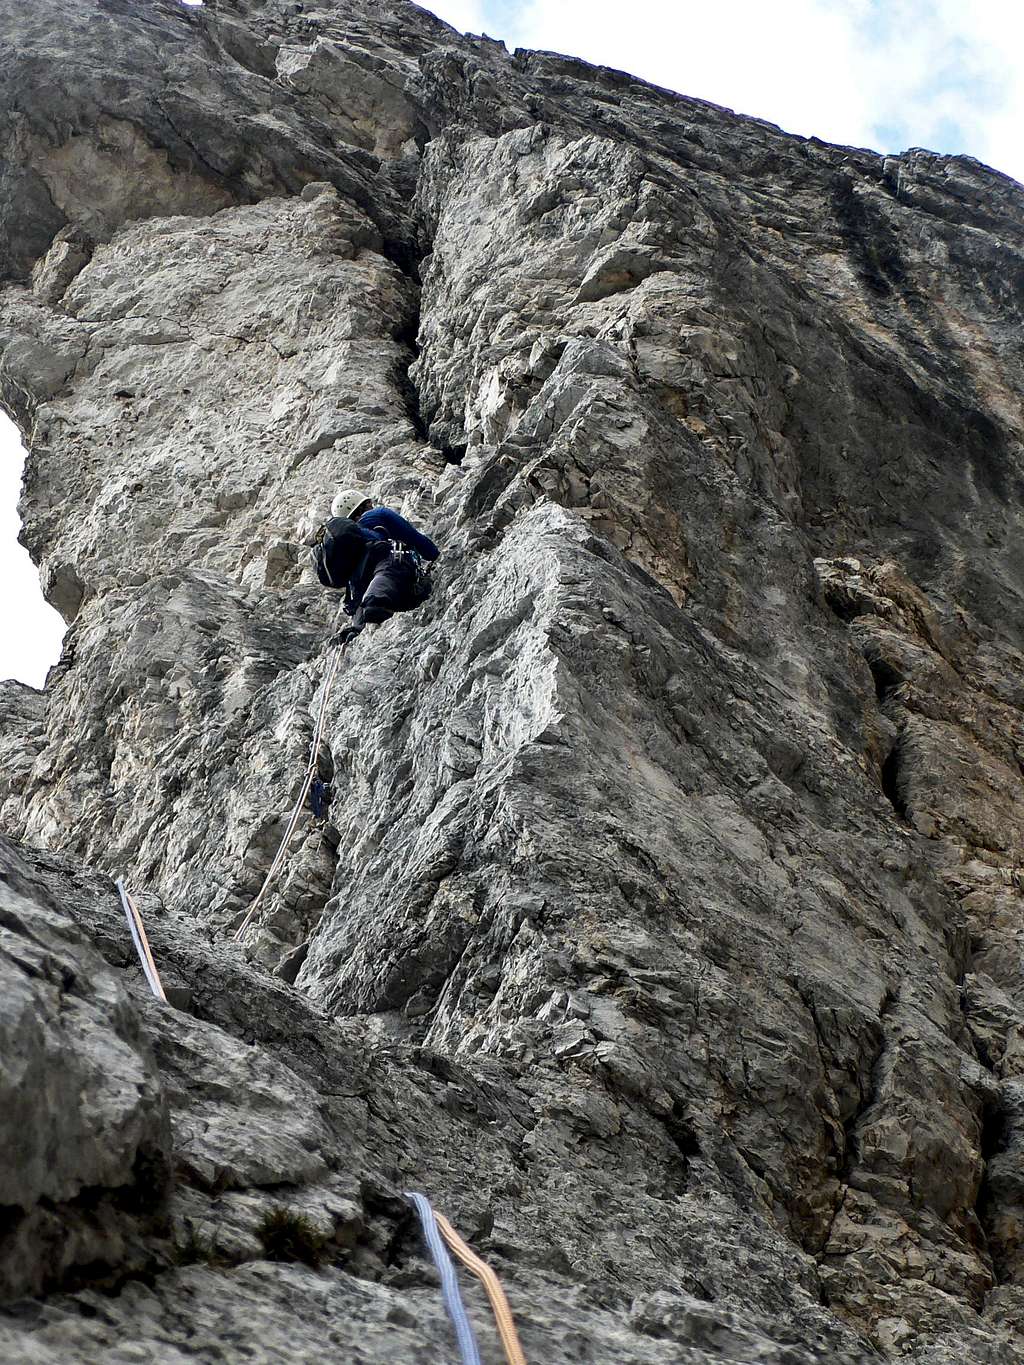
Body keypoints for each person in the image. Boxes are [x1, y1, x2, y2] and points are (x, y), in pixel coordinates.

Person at [325, 487, 440, 645]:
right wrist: (434, 554)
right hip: (388, 578)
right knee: (389, 566)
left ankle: (357, 629)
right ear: (363, 507)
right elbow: (415, 538)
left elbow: (355, 593)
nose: (372, 505)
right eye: (368, 503)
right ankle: (376, 601)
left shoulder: (348, 547)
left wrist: (357, 623)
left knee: (371, 588)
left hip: (363, 590)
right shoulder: (376, 515)